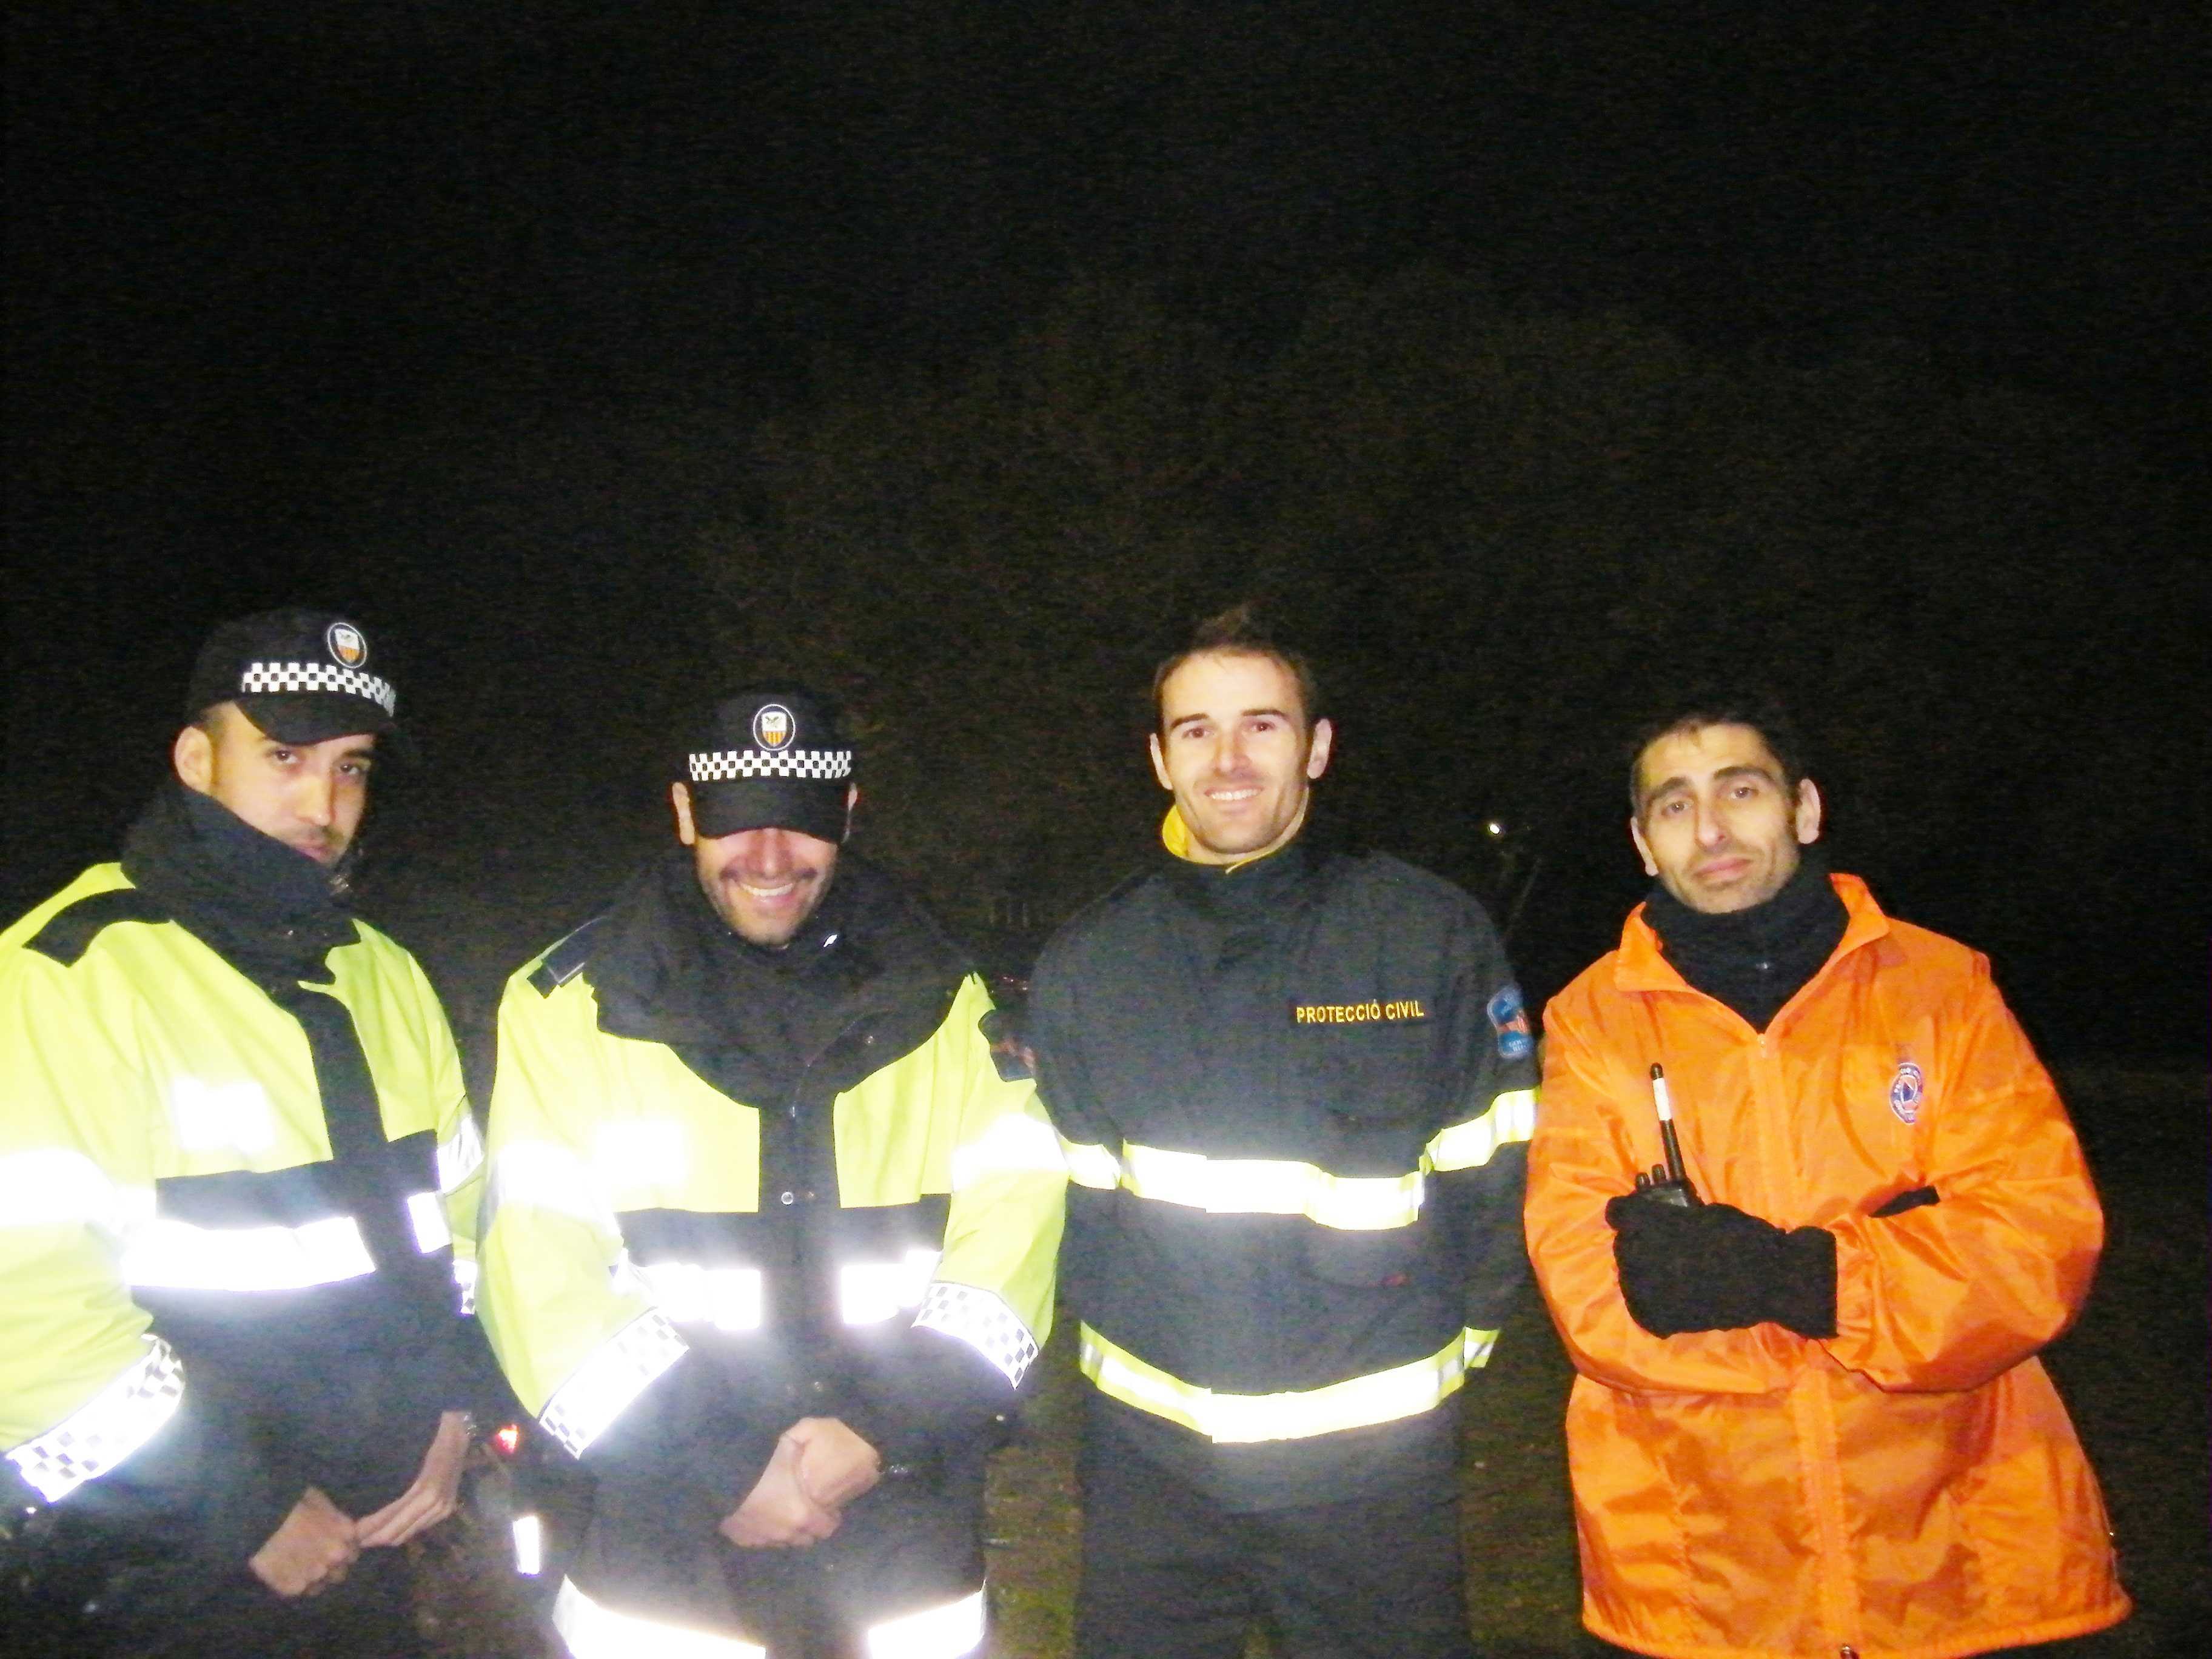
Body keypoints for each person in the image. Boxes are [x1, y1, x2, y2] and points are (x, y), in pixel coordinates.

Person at [1524, 697, 2131, 1659]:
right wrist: (1907, 1268)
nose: (1711, 830)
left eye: (1741, 791)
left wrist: (1803, 1278)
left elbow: (2036, 1246)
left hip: (1967, 1559)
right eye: (1675, 806)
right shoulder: (1592, 1020)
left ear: (1804, 809)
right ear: (1643, 845)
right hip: (1706, 1577)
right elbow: (1591, 1301)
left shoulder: (1942, 990)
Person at [476, 685, 1065, 1659]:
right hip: (661, 1535)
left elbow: (1012, 1246)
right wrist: (725, 1468)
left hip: (902, 1527)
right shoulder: (566, 1009)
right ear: (684, 813)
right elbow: (539, 1275)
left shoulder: (954, 1003)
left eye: (800, 821)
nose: (769, 855)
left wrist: (877, 1429)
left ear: (848, 815)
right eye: (735, 820)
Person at [1027, 605, 1537, 1659]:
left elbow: (1495, 1181)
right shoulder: (1090, 963)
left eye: (1261, 725)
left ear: (1317, 747)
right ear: (1160, 759)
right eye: (1197, 730)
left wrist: (1452, 1359)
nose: (1228, 760)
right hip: (1153, 1480)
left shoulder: (1426, 935)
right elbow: (1078, 1215)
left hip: (1374, 1482)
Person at [0, 609, 488, 1657]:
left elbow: (460, 1224)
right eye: (283, 757)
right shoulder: (69, 979)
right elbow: (22, 1318)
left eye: (351, 767)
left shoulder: (382, 972)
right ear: (196, 759)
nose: (324, 803)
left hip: (377, 1549)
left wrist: (457, 1407)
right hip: (165, 1574)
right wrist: (240, 1505)